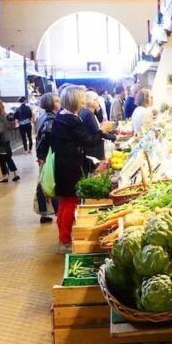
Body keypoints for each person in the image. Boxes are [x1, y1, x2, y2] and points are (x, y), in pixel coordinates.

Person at [51, 86, 114, 251]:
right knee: (70, 201)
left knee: (65, 201)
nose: (84, 101)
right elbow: (90, 141)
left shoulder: (61, 117)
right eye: (81, 98)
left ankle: (63, 236)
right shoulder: (72, 120)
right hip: (70, 166)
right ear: (73, 100)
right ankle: (64, 240)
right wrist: (102, 130)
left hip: (63, 164)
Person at [35, 93, 59, 223]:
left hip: (42, 156)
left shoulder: (42, 116)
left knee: (42, 182)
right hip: (48, 156)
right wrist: (44, 156)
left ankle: (44, 211)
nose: (59, 102)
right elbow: (46, 139)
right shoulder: (51, 119)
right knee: (50, 182)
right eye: (56, 100)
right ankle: (56, 210)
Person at [78, 94, 116, 161]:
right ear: (90, 102)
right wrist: (114, 137)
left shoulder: (85, 112)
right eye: (95, 99)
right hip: (94, 149)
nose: (98, 101)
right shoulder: (89, 114)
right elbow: (98, 132)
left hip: (90, 148)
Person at [0, 99, 20, 182]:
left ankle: (5, 175)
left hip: (0, 140)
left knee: (2, 158)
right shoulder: (3, 115)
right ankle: (15, 173)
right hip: (6, 139)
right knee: (8, 157)